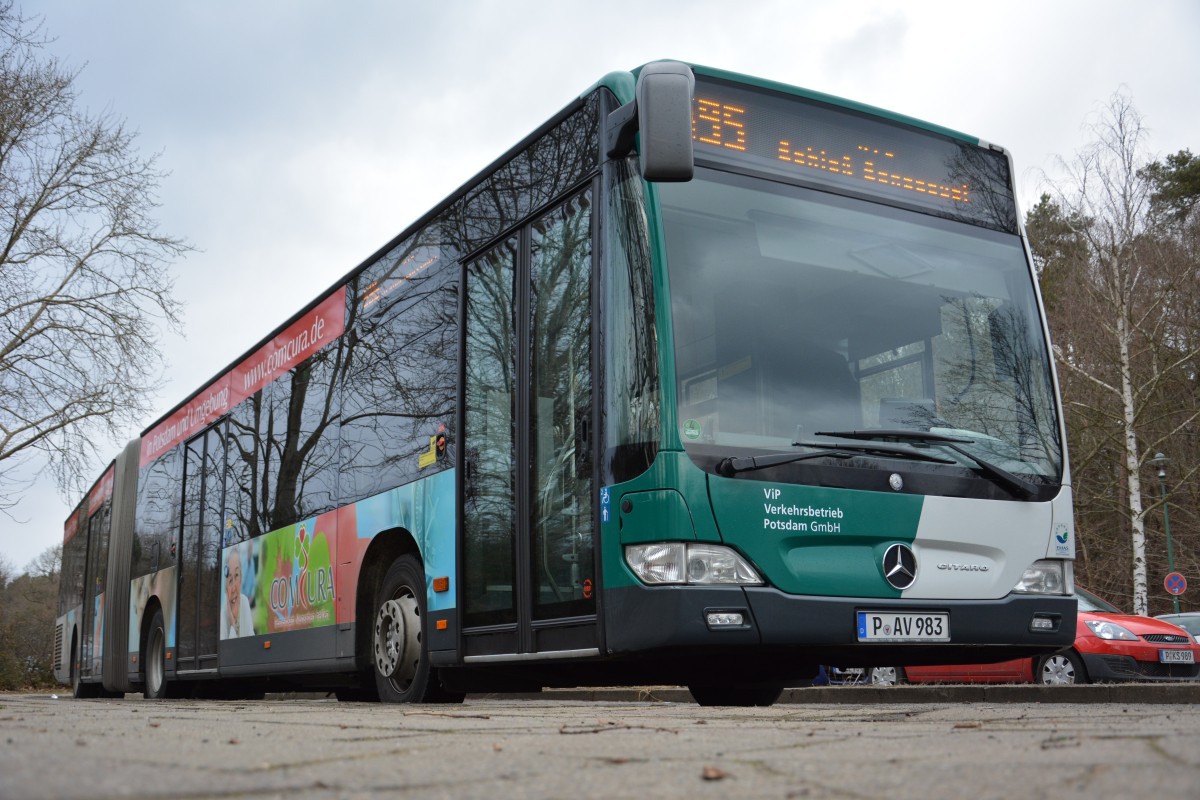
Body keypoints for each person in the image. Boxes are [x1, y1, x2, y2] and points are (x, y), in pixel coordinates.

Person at [221, 548, 255, 639]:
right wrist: (232, 625)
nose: (234, 588)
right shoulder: (223, 612)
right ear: (225, 586)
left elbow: (251, 639)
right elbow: (228, 650)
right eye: (230, 580)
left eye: (236, 575)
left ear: (241, 577)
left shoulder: (244, 601)